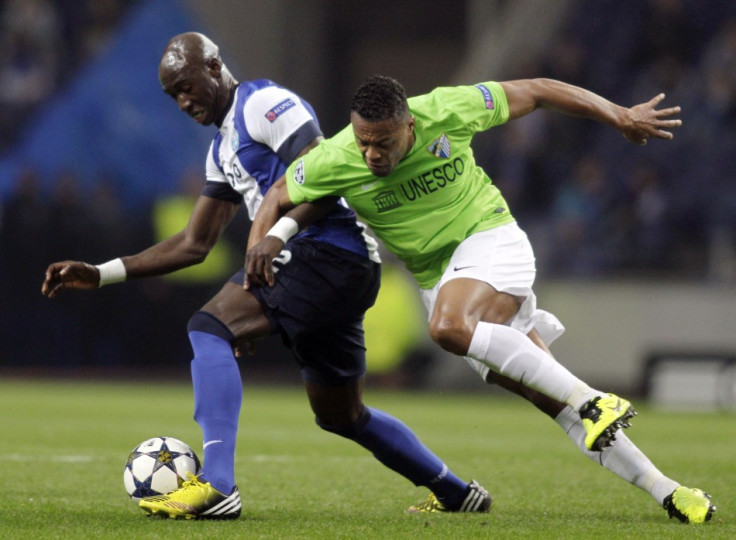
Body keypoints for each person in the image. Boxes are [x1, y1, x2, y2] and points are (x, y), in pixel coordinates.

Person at [40, 34, 492, 519]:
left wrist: (270, 247)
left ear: (215, 66)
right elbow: (195, 243)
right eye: (173, 95)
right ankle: (455, 491)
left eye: (187, 86)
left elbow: (323, 170)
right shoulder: (222, 149)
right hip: (331, 268)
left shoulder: (265, 103)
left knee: (208, 326)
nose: (183, 101)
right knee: (342, 414)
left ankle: (217, 485)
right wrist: (102, 272)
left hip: (327, 249)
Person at [244, 75, 716, 523]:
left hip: (489, 239)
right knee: (551, 398)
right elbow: (279, 196)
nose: (371, 154)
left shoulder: (447, 109)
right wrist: (263, 257)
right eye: (364, 142)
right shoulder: (336, 156)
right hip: (440, 280)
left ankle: (593, 398)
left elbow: (538, 90)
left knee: (448, 329)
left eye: (383, 143)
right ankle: (670, 491)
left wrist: (618, 115)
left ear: (410, 125)